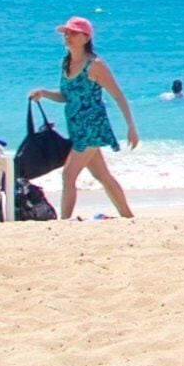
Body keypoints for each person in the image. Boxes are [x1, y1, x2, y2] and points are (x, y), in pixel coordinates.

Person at [31, 16, 139, 219]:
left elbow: (117, 95)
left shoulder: (95, 65)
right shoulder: (66, 64)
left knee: (68, 174)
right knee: (102, 176)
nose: (67, 36)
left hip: (93, 128)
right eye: (66, 33)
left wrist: (131, 127)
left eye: (73, 33)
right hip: (77, 128)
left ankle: (64, 222)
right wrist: (44, 93)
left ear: (85, 37)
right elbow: (67, 96)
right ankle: (128, 217)